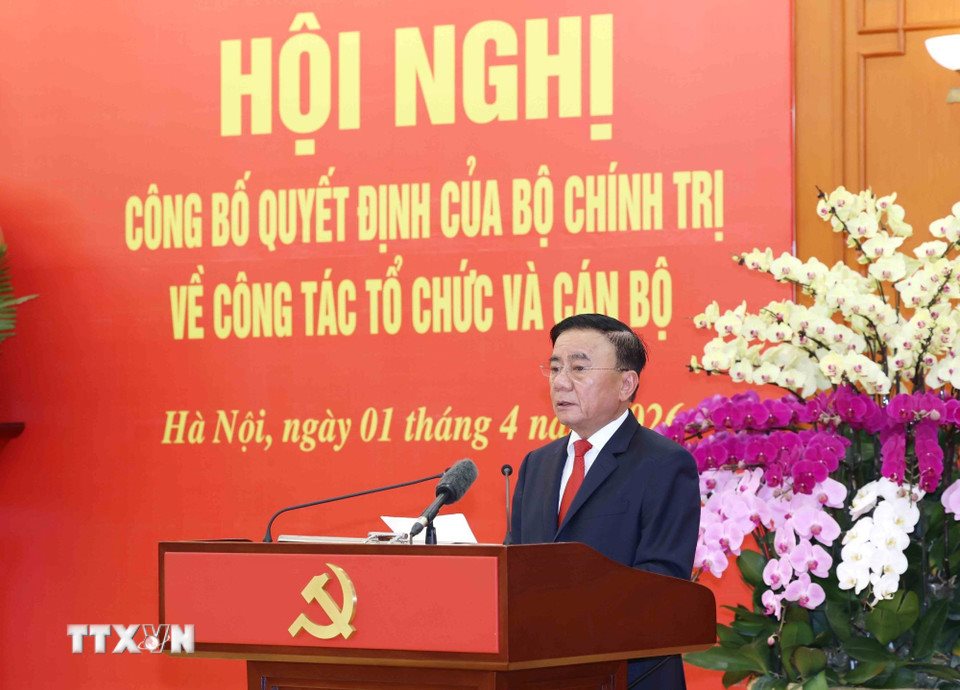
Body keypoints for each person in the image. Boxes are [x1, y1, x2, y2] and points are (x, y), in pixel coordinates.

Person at [509, 313, 700, 690]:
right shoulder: (537, 465)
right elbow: (515, 564)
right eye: (555, 367)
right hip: (543, 673)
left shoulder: (664, 463)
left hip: (629, 675)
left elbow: (660, 581)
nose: (561, 381)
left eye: (579, 368)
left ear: (626, 383)